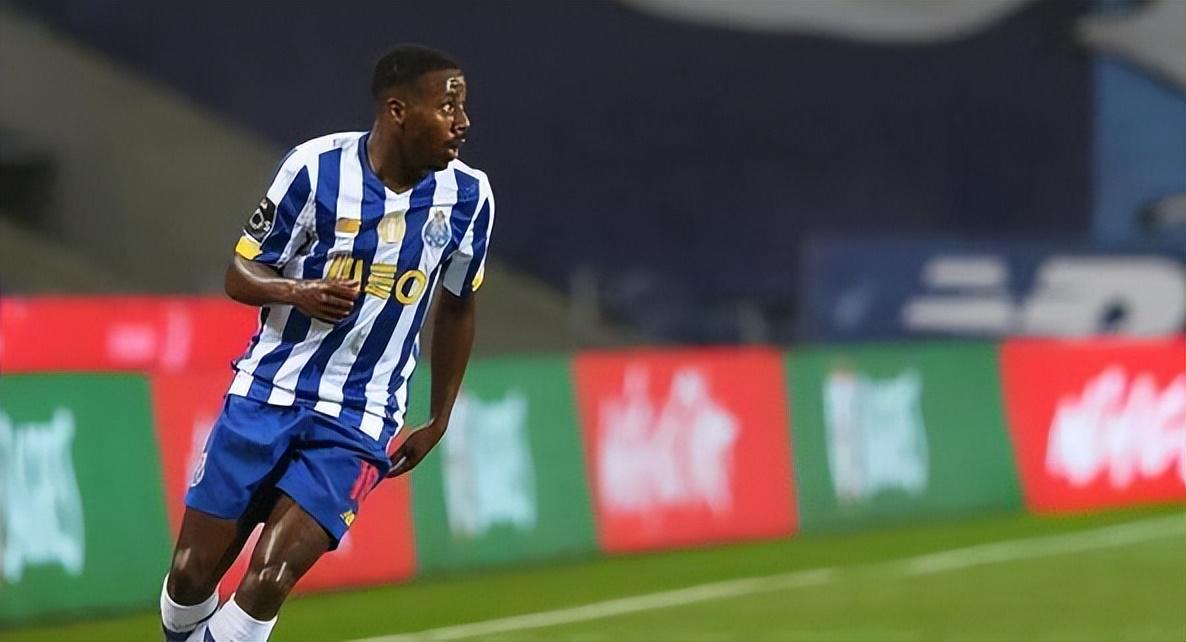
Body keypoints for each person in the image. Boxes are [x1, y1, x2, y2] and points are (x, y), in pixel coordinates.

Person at [159, 44, 493, 642]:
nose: (462, 122)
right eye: (448, 107)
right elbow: (241, 273)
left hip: (360, 418)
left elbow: (459, 305)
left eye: (462, 107)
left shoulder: (469, 197)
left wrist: (440, 417)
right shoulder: (315, 169)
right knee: (189, 575)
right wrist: (296, 291)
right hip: (266, 393)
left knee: (270, 577)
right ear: (398, 110)